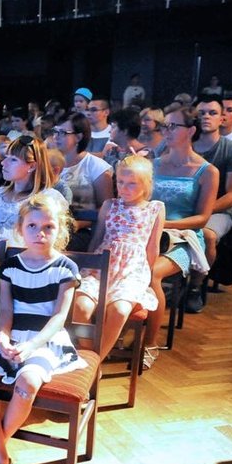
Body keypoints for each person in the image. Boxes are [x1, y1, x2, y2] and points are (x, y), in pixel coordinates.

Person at [0, 194, 83, 464]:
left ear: (60, 229)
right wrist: (3, 337)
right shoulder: (11, 266)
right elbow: (5, 310)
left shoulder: (66, 268)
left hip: (45, 339)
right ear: (20, 228)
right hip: (11, 334)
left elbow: (58, 318)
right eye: (32, 226)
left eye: (48, 227)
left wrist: (31, 345)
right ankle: (2, 461)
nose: (40, 233)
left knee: (28, 381)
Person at [72, 155, 164, 363]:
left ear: (146, 184)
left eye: (132, 183)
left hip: (132, 270)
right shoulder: (109, 205)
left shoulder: (154, 208)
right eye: (120, 182)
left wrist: (147, 278)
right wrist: (89, 263)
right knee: (81, 306)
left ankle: (96, 361)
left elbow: (153, 247)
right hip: (102, 265)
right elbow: (97, 238)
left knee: (120, 310)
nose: (124, 188)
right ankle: (89, 354)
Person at [144, 107, 219, 356]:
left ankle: (149, 343)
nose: (166, 131)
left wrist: (163, 224)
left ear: (191, 130)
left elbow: (202, 218)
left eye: (173, 126)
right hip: (148, 233)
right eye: (164, 126)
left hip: (183, 238)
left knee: (151, 273)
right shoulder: (153, 164)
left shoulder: (207, 171)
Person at [187, 96, 232, 313]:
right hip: (185, 205)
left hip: (219, 208)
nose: (206, 117)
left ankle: (195, 286)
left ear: (222, 118)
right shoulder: (185, 145)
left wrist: (203, 210)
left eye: (212, 113)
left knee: (207, 235)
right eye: (201, 113)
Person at [0, 136, 67, 249]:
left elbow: (54, 242)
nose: (4, 163)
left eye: (13, 159)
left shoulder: (49, 198)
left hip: (27, 258)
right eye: (6, 157)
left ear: (32, 166)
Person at [53, 112, 114, 250]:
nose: (56, 137)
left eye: (63, 133)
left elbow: (107, 208)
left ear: (79, 137)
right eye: (55, 131)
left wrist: (79, 224)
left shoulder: (96, 167)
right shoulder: (47, 163)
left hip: (83, 230)